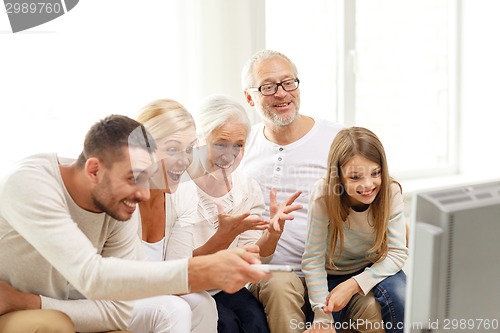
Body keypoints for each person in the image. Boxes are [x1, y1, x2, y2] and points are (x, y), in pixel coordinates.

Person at [0, 114, 269, 333]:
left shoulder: (115, 205)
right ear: (94, 170)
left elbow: (118, 308)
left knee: (195, 306)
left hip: (36, 301)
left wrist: (29, 301)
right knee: (52, 325)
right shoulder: (30, 184)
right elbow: (92, 276)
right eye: (133, 178)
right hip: (10, 308)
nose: (142, 193)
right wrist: (201, 270)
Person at [240, 49, 384, 333]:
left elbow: (374, 192)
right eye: (268, 87)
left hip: (334, 270)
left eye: (288, 82)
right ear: (249, 97)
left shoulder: (337, 138)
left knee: (371, 305)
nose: (282, 93)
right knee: (279, 286)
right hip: (273, 272)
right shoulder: (243, 145)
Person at [170, 94, 302, 333]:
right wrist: (223, 236)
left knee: (255, 321)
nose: (229, 155)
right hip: (188, 287)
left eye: (239, 145)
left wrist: (272, 233)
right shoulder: (177, 188)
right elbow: (177, 268)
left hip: (224, 285)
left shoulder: (246, 187)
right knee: (227, 324)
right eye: (220, 143)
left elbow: (256, 256)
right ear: (198, 141)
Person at [302, 127, 408, 333]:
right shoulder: (323, 196)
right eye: (355, 177)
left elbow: (397, 253)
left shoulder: (391, 191)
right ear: (338, 177)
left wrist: (354, 285)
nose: (368, 185)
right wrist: (322, 316)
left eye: (375, 173)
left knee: (402, 295)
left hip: (378, 266)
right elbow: (312, 260)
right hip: (333, 274)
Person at [127, 99, 218, 333]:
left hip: (151, 291)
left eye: (189, 149)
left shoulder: (184, 193)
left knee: (204, 304)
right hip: (107, 294)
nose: (184, 160)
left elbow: (176, 273)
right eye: (172, 149)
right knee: (173, 309)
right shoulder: (121, 194)